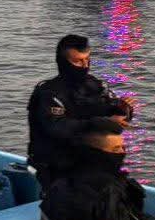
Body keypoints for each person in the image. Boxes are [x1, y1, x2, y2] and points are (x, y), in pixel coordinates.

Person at [27, 33, 133, 192]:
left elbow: (111, 107)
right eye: (77, 61)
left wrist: (123, 110)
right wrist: (99, 122)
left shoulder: (94, 85)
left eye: (87, 59)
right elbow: (57, 127)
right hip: (57, 162)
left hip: (90, 158)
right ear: (63, 62)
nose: (84, 66)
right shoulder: (49, 93)